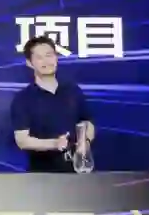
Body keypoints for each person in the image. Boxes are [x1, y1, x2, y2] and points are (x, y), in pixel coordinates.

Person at [10, 35, 94, 172]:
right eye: (39, 57)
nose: (46, 61)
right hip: (42, 174)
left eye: (49, 55)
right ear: (29, 63)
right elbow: (22, 140)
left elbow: (87, 122)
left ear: (56, 58)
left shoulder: (73, 90)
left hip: (78, 171)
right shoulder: (23, 99)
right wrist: (54, 143)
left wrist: (85, 142)